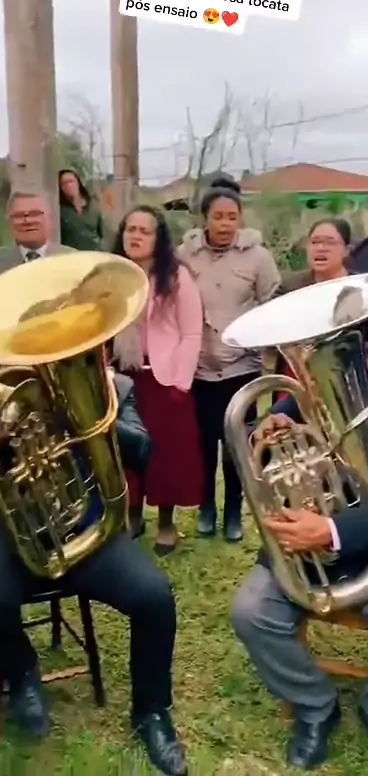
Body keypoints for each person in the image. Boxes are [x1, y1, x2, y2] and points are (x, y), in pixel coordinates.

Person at [0, 366, 187, 775]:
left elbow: (141, 451)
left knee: (154, 598)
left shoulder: (115, 387)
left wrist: (85, 417)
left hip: (88, 531)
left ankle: (151, 711)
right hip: (14, 532)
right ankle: (21, 671)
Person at [231, 392, 368, 770]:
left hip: (347, 537)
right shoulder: (332, 375)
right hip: (307, 551)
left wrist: (333, 530)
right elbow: (291, 406)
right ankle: (315, 705)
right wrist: (268, 426)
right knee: (251, 612)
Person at [178, 175, 280, 543]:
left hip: (242, 368)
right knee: (204, 444)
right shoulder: (184, 255)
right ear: (205, 218)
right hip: (200, 369)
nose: (225, 224)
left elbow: (272, 302)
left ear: (240, 218)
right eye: (218, 216)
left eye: (232, 217)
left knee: (237, 446)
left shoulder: (258, 257)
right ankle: (207, 507)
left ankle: (234, 511)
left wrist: (261, 346)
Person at [112, 205, 204, 554]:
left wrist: (181, 383)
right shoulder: (111, 275)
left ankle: (166, 524)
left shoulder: (177, 277)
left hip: (164, 381)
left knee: (166, 455)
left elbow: (191, 333)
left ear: (158, 238)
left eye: (144, 231)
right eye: (130, 229)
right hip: (123, 377)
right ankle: (133, 516)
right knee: (124, 449)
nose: (135, 236)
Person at [271, 218, 352, 399]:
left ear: (346, 250)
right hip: (298, 380)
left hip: (349, 383)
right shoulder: (289, 287)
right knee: (280, 415)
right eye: (315, 242)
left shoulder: (360, 289)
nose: (321, 248)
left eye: (330, 242)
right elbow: (268, 325)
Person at [0, 190, 74, 292]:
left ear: (50, 218)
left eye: (35, 214)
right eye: (18, 215)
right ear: (9, 222)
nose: (27, 221)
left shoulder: (72, 260)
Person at [59, 168, 105, 251]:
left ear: (78, 183)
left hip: (95, 252)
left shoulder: (93, 205)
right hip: (73, 254)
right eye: (64, 184)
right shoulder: (61, 211)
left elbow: (101, 233)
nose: (68, 186)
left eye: (71, 181)